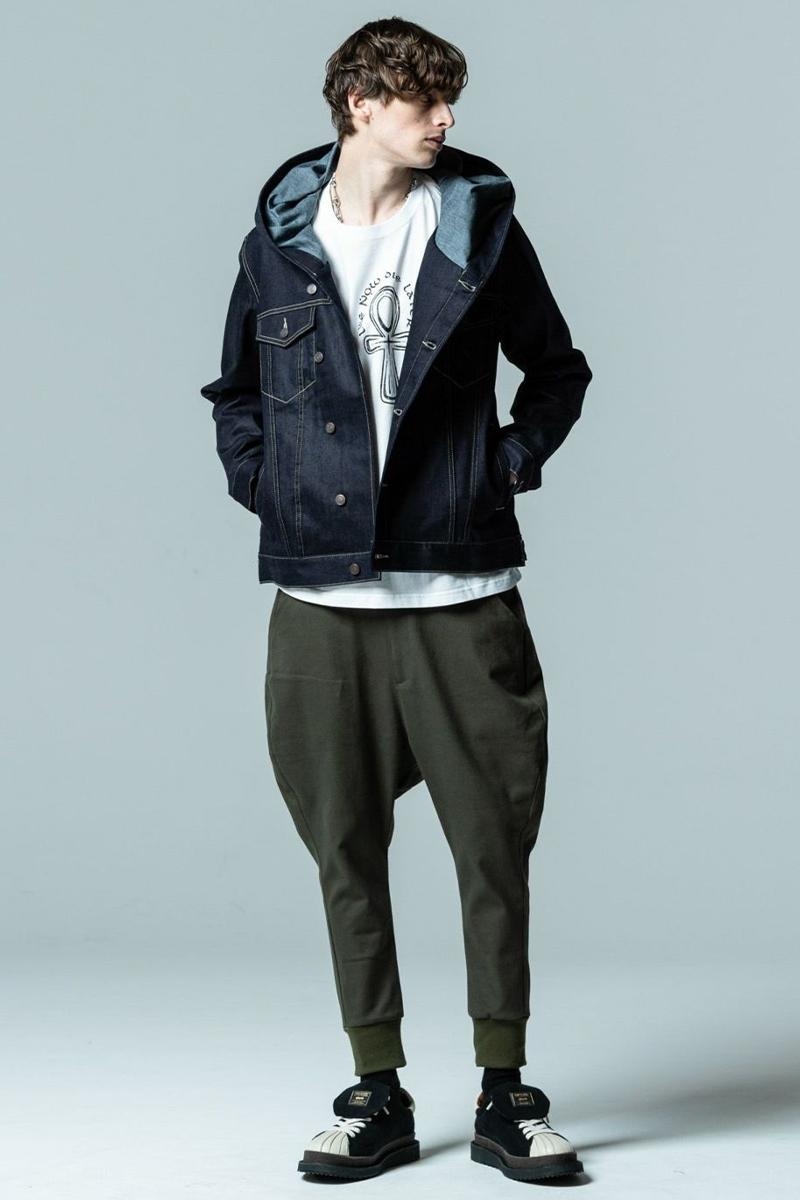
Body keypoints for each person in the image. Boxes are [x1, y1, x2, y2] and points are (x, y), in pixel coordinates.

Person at [200, 16, 592, 1184]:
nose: (444, 119)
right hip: (320, 603)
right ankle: (375, 1091)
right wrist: (267, 487)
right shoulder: (276, 246)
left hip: (461, 585)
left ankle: (504, 1093)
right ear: (359, 105)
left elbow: (557, 370)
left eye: (447, 99)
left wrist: (500, 466)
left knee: (492, 848)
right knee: (343, 847)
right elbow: (234, 392)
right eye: (424, 99)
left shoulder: (476, 230)